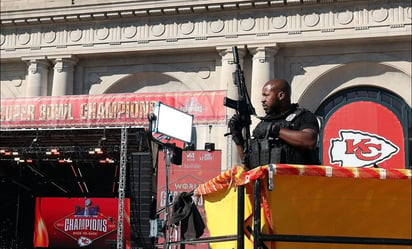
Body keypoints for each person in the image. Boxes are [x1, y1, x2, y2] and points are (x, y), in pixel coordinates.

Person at [229, 78, 320, 169]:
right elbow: (249, 166)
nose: (262, 100)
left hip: (297, 180)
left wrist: (274, 129)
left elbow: (309, 141)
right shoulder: (263, 125)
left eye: (266, 95)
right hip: (269, 182)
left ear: (281, 96)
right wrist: (237, 137)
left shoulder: (303, 117)